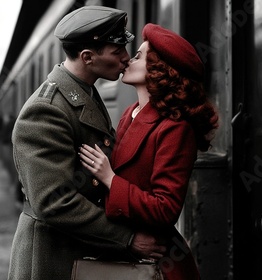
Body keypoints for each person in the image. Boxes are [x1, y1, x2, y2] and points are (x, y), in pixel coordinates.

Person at [8, 7, 167, 280]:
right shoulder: (46, 111)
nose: (126, 59)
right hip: (51, 259)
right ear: (88, 57)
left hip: (76, 250)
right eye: (117, 52)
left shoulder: (83, 92)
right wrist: (127, 238)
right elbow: (54, 202)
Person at [79, 23, 219, 279]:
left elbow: (166, 208)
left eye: (139, 56)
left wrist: (110, 179)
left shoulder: (176, 128)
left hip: (156, 263)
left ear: (158, 70)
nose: (129, 59)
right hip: (125, 252)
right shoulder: (128, 115)